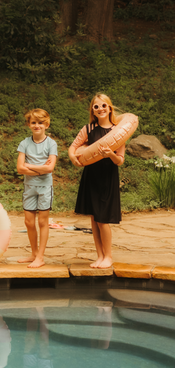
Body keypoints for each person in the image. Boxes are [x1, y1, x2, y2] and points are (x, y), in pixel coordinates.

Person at [68, 94, 125, 269]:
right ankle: (99, 256)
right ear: (92, 110)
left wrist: (111, 155)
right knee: (94, 218)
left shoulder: (118, 131)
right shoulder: (88, 129)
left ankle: (108, 256)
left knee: (103, 219)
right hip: (91, 176)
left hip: (107, 177)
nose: (100, 109)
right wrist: (73, 158)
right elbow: (73, 147)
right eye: (96, 106)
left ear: (109, 108)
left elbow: (120, 160)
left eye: (103, 106)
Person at [16, 109, 57, 268]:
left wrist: (29, 165)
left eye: (40, 123)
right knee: (29, 222)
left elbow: (50, 168)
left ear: (46, 124)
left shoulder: (51, 143)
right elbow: (20, 168)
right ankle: (33, 253)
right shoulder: (24, 143)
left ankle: (40, 256)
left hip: (45, 187)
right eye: (33, 122)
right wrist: (40, 168)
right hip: (29, 187)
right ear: (29, 124)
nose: (37, 125)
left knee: (42, 222)